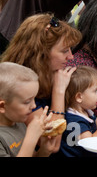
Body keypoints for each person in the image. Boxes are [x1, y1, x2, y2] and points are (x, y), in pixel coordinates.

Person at [1, 14, 82, 152]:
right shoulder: (21, 88)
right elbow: (53, 144)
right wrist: (59, 91)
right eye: (64, 51)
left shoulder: (53, 74)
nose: (71, 56)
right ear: (41, 54)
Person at [57, 66, 97, 157]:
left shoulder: (85, 111)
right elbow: (91, 143)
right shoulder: (74, 121)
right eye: (95, 91)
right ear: (79, 97)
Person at [0, 62, 59, 157]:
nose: (34, 106)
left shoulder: (18, 123)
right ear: (2, 106)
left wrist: (44, 150)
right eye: (27, 101)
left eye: (34, 99)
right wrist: (32, 137)